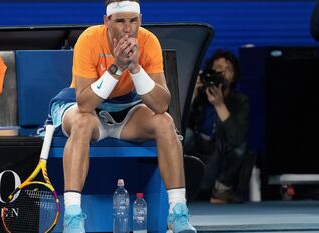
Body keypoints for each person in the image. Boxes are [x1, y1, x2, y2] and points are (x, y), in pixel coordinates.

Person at [47, 0, 196, 232]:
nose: (128, 28)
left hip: (127, 110)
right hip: (88, 111)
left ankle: (178, 214)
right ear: (106, 22)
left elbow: (161, 104)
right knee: (83, 122)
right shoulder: (88, 39)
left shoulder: (149, 41)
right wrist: (116, 67)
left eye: (133, 21)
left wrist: (135, 68)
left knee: (165, 123)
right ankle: (73, 218)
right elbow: (84, 103)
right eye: (120, 21)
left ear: (140, 21)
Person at [184, 49, 250, 204]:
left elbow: (237, 138)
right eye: (219, 68)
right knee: (186, 135)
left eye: (229, 70)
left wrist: (219, 105)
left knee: (239, 145)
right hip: (195, 159)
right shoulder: (199, 95)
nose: (223, 73)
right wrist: (191, 93)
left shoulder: (240, 101)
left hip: (218, 162)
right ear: (210, 72)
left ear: (235, 76)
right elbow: (176, 130)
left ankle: (221, 190)